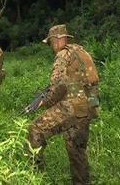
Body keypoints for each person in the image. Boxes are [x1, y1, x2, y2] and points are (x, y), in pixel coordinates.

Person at [27, 24, 99, 184]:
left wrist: (43, 102)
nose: (52, 46)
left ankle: (35, 177)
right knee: (77, 150)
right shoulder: (81, 51)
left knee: (35, 130)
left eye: (52, 42)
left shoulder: (62, 55)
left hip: (71, 107)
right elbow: (93, 81)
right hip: (86, 108)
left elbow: (58, 87)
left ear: (58, 40)